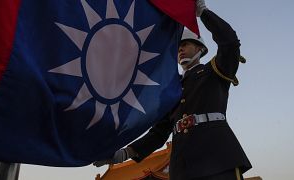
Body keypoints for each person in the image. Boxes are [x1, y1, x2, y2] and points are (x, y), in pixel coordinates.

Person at [94, 0, 252, 179]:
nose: (180, 50)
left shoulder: (214, 71)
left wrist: (203, 12)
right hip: (182, 167)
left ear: (200, 48)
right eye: (178, 47)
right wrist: (123, 154)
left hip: (216, 158)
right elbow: (159, 133)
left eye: (185, 45)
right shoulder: (172, 89)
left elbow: (230, 43)